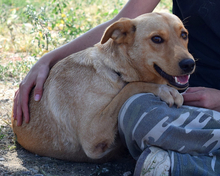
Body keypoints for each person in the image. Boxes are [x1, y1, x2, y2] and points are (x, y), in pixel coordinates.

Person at [13, 0, 220, 175]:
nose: (186, 57)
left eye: (183, 35)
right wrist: (47, 59)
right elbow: (121, 23)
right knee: (138, 112)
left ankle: (179, 163)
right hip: (183, 95)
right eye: (158, 40)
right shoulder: (131, 77)